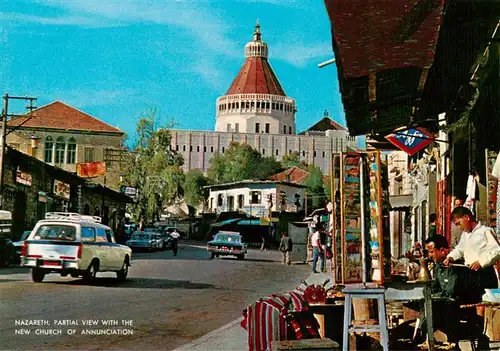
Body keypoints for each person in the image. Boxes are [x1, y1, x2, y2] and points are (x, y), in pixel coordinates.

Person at [444, 206, 500, 293]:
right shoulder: (465, 235)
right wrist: (450, 257)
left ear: (467, 217)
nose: (459, 227)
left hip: (484, 274)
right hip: (469, 274)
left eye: (459, 223)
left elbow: (497, 250)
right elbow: (460, 249)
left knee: (483, 303)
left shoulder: (485, 231)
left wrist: (481, 262)